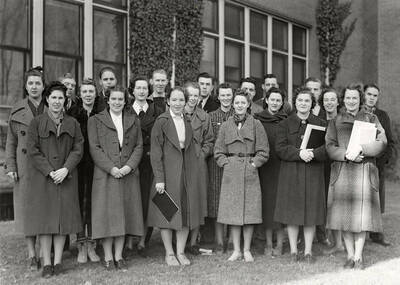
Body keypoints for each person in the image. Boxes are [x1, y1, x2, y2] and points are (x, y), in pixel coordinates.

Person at [25, 81, 84, 278]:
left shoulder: (73, 123)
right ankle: (46, 262)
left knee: (62, 222)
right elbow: (32, 151)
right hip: (44, 180)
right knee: (45, 222)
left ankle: (58, 262)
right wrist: (50, 171)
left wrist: (66, 169)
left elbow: (78, 148)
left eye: (61, 98)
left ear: (65, 101)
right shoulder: (36, 122)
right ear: (47, 100)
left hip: (66, 178)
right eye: (54, 98)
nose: (57, 101)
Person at [326, 84, 387, 270]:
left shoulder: (371, 118)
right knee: (344, 217)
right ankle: (350, 255)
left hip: (364, 171)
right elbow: (329, 145)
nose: (351, 101)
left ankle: (359, 257)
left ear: (360, 100)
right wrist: (345, 154)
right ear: (343, 100)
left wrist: (363, 148)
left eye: (354, 98)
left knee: (362, 218)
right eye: (348, 98)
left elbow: (382, 141)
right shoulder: (335, 120)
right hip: (343, 171)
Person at [88, 86, 144, 271]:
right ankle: (108, 257)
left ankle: (119, 256)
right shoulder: (95, 120)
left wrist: (128, 167)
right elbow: (94, 148)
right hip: (106, 175)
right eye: (114, 99)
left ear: (125, 101)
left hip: (127, 174)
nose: (117, 102)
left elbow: (138, 146)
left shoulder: (133, 120)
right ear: (108, 100)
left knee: (124, 216)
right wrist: (111, 168)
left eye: (121, 99)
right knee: (107, 217)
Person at [147, 87, 202, 266]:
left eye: (181, 100)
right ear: (168, 101)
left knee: (185, 213)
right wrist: (160, 178)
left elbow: (191, 149)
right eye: (175, 100)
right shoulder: (161, 121)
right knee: (167, 213)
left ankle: (180, 251)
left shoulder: (187, 120)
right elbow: (155, 153)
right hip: (167, 174)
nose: (178, 103)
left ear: (185, 102)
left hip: (186, 173)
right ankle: (169, 253)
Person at [214, 89, 269, 262]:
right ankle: (236, 250)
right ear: (232, 104)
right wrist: (226, 163)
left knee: (249, 213)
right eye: (236, 103)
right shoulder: (225, 125)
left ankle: (246, 250)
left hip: (249, 172)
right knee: (233, 213)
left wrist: (253, 164)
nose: (239, 106)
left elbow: (264, 151)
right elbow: (218, 151)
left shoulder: (256, 124)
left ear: (248, 105)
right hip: (231, 174)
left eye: (242, 103)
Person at [274, 87, 327, 263]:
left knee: (311, 212)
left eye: (307, 101)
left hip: (313, 172)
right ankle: (294, 251)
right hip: (292, 173)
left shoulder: (321, 123)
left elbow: (327, 147)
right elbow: (280, 148)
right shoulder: (284, 124)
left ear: (312, 103)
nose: (303, 103)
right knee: (292, 212)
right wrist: (299, 154)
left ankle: (308, 251)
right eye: (300, 100)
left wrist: (313, 153)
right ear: (295, 103)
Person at [5, 66, 46, 271]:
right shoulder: (17, 109)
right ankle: (32, 253)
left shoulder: (52, 106)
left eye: (37, 83)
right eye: (30, 83)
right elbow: (11, 142)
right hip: (24, 167)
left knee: (45, 208)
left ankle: (46, 251)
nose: (34, 87)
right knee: (27, 209)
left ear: (43, 86)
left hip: (47, 166)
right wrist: (10, 166)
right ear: (25, 86)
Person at [67, 78, 104, 263]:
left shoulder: (101, 113)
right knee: (80, 202)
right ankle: (81, 244)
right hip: (79, 164)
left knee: (94, 202)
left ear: (95, 93)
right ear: (80, 94)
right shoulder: (73, 113)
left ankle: (92, 244)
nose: (88, 95)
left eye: (91, 91)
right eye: (85, 92)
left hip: (97, 164)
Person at [126, 76, 163, 256]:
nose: (141, 91)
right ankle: (129, 240)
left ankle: (143, 240)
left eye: (144, 88)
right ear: (132, 91)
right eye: (138, 88)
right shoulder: (125, 110)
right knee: (132, 198)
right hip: (131, 161)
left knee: (148, 198)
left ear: (148, 91)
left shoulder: (157, 110)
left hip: (150, 160)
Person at [253, 87, 288, 257]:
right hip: (265, 168)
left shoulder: (287, 120)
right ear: (266, 100)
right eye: (272, 99)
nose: (275, 103)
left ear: (282, 103)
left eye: (278, 100)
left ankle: (280, 243)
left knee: (280, 205)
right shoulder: (257, 120)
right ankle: (267, 243)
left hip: (282, 167)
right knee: (267, 205)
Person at [183, 82, 214, 255]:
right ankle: (179, 240)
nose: (194, 98)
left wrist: (201, 154)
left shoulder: (204, 116)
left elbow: (209, 140)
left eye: (197, 95)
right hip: (180, 165)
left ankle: (193, 242)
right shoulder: (176, 113)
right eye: (191, 95)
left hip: (198, 165)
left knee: (198, 202)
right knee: (182, 201)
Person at [363, 84, 395, 247]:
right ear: (364, 94)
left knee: (376, 201)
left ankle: (376, 234)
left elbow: (390, 142)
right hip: (359, 163)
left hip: (377, 165)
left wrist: (381, 162)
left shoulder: (382, 115)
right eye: (369, 94)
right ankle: (358, 232)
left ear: (378, 97)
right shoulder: (357, 113)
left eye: (375, 95)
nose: (371, 98)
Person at [207, 83, 235, 251]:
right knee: (217, 202)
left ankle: (232, 239)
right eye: (222, 95)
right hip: (216, 165)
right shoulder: (211, 117)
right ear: (218, 97)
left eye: (228, 95)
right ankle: (218, 241)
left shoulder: (239, 114)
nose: (225, 98)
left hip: (234, 164)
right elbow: (209, 141)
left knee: (233, 201)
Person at [317, 88, 345, 255]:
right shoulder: (318, 121)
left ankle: (339, 242)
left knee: (336, 204)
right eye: (326, 99)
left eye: (332, 99)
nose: (329, 102)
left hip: (338, 165)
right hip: (320, 166)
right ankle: (326, 237)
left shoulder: (343, 121)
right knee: (325, 203)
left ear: (337, 101)